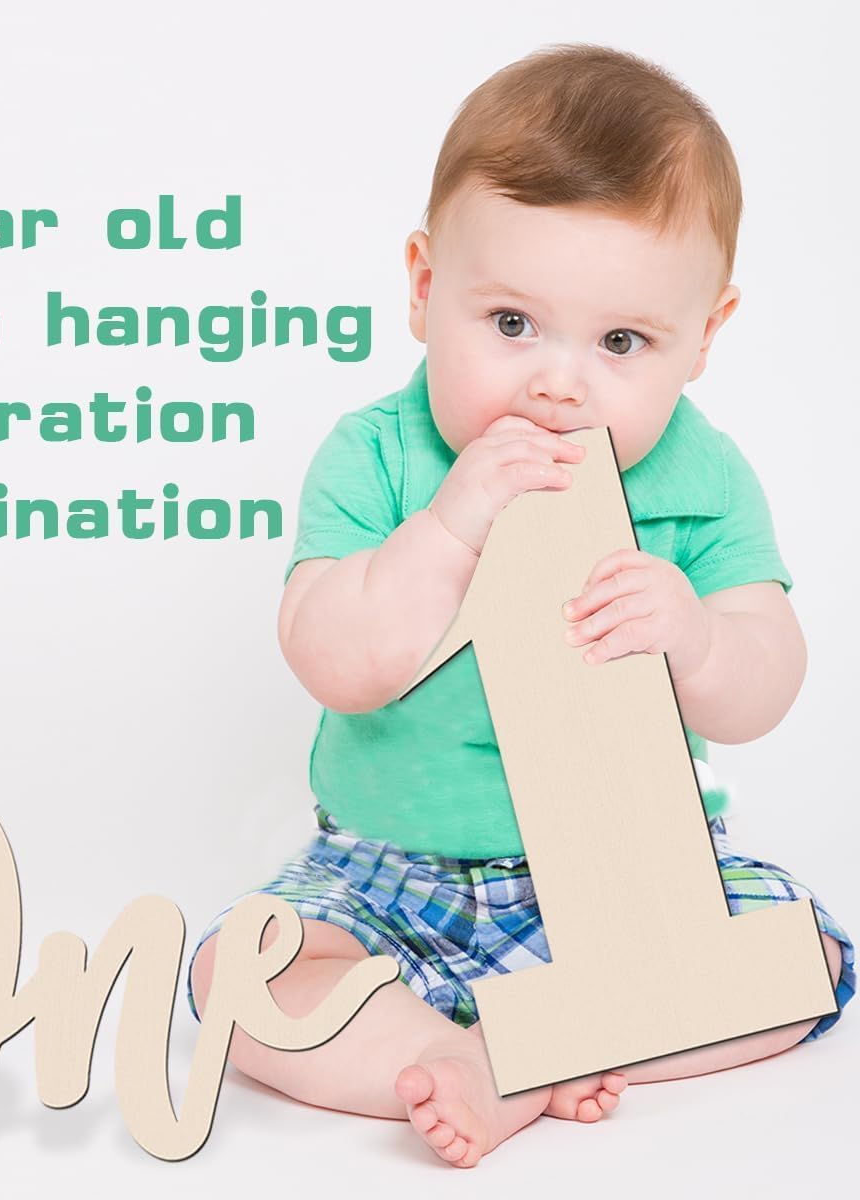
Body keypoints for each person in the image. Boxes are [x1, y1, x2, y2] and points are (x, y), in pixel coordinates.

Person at [185, 42, 855, 1168]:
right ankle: (448, 1055)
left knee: (808, 963)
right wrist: (447, 531)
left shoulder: (704, 482)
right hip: (385, 874)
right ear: (424, 286)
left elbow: (766, 683)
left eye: (623, 343)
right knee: (239, 977)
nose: (557, 381)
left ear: (704, 339)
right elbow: (331, 659)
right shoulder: (381, 458)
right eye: (510, 325)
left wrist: (696, 634)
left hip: (635, 868)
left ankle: (524, 1048)